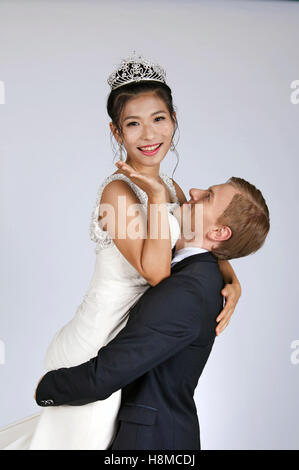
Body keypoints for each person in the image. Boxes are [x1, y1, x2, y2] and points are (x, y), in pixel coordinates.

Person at [0, 53, 241, 450]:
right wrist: (157, 195)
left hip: (126, 349)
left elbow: (203, 241)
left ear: (174, 120)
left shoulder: (174, 190)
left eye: (158, 119)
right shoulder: (120, 192)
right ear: (117, 132)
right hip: (94, 344)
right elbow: (157, 273)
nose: (149, 135)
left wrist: (233, 279)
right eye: (133, 124)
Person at [34, 176, 270, 450]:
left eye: (208, 196)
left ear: (219, 233)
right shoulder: (195, 271)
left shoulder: (188, 290)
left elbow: (105, 376)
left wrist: (45, 388)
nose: (193, 192)